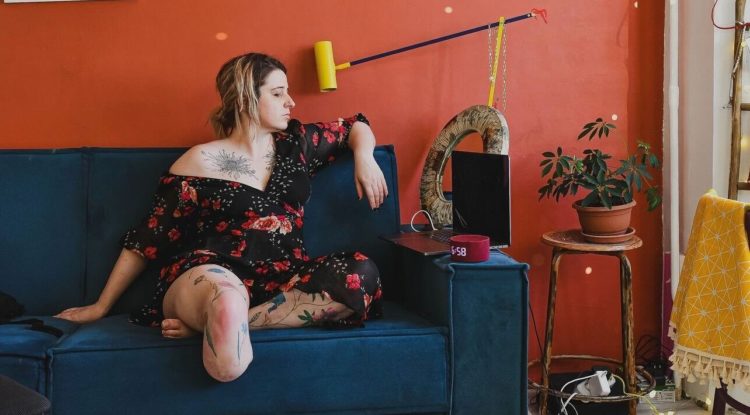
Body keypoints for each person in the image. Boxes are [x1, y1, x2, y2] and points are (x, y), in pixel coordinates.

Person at [55, 52, 388, 382]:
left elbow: (355, 126)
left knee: (361, 273)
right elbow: (148, 239)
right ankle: (221, 317)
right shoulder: (198, 161)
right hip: (211, 273)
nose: (290, 102)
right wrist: (100, 306)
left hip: (283, 281)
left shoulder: (296, 145)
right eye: (277, 93)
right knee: (227, 301)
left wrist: (365, 158)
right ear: (245, 99)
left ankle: (221, 325)